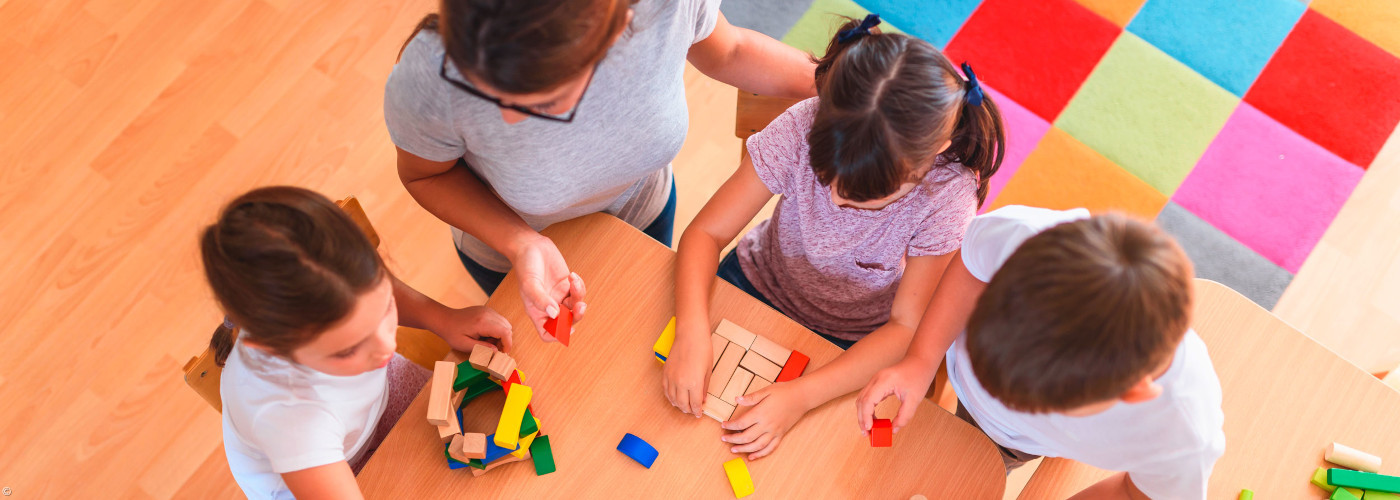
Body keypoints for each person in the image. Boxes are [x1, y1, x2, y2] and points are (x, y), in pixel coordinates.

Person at [663, 15, 1004, 460]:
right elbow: (706, 233)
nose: (838, 200)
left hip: (854, 340)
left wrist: (801, 396)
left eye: (866, 196)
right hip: (754, 282)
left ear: (931, 156)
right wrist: (691, 329)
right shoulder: (802, 125)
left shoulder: (947, 195)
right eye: (828, 178)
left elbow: (907, 326)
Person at [384, 0, 817, 342]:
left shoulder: (664, 8)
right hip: (508, 257)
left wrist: (846, 83)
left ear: (612, 33)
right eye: (485, 90)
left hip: (641, 214)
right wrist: (521, 243)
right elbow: (427, 174)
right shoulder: (431, 73)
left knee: (635, 330)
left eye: (537, 103)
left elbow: (732, 50)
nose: (507, 120)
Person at [857, 206, 1226, 499]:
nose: (1005, 400)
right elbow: (973, 264)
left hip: (1015, 441)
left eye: (1040, 405)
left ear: (1134, 393)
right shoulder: (1025, 237)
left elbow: (1134, 493)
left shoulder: (1182, 438)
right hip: (973, 401)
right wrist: (922, 358)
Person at [204, 186, 512, 499]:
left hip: (372, 402)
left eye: (383, 310)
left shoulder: (348, 307)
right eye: (349, 347)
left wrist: (442, 319)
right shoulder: (289, 418)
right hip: (317, 474)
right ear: (276, 347)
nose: (387, 348)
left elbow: (378, 288)